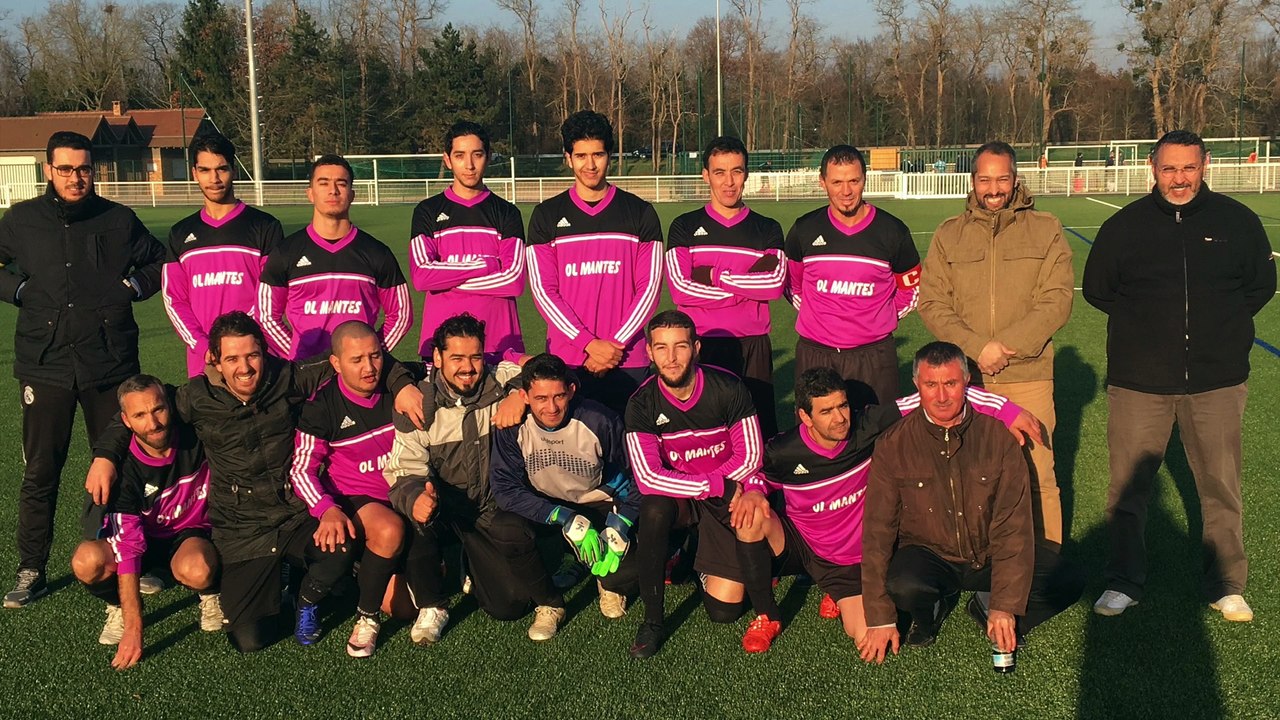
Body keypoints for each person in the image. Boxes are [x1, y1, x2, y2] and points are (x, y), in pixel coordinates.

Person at [90, 311, 424, 653]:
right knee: (250, 640)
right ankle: (288, 584)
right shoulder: (195, 397)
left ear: (264, 352)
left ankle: (306, 591)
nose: (245, 367)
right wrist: (105, 455)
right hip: (243, 529)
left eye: (252, 355)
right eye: (232, 358)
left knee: (340, 544)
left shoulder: (287, 378)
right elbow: (140, 406)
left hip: (293, 514)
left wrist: (402, 383)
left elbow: (359, 356)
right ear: (215, 361)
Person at [1082, 130, 1276, 622]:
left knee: (1220, 486)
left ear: (1205, 165)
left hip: (1216, 381)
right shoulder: (1124, 228)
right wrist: (1148, 332)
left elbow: (1259, 286)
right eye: (1169, 169)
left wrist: (1218, 333)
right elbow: (1099, 290)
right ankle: (1124, 581)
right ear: (1153, 168)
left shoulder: (1238, 221)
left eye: (1188, 168)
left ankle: (1226, 583)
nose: (1179, 178)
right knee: (1128, 488)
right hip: (1139, 383)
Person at [730, 366, 1041, 650]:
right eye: (826, 411)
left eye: (842, 405)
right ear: (805, 417)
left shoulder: (867, 426)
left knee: (865, 635)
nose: (840, 418)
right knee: (749, 517)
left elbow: (932, 395)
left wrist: (1007, 411)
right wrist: (756, 492)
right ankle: (767, 615)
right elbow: (757, 474)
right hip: (805, 547)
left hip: (851, 563)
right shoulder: (783, 451)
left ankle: (835, 593)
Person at [0, 130, 166, 608]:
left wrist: (132, 287)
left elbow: (161, 262)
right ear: (48, 170)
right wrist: (18, 291)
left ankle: (129, 554)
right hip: (45, 362)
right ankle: (32, 567)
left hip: (109, 364)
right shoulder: (22, 221)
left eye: (85, 169)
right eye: (66, 169)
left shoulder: (117, 219)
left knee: (119, 465)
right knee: (40, 470)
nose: (76, 177)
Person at [858, 342, 1083, 665]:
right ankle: (931, 610)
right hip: (930, 554)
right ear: (917, 386)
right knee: (903, 584)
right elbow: (878, 531)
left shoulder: (999, 438)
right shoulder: (893, 444)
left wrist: (1005, 605)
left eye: (950, 383)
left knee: (1067, 579)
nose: (941, 396)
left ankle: (985, 604)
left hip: (987, 554)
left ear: (966, 383)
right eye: (930, 385)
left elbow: (1013, 528)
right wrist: (880, 617)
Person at [918, 141, 1074, 547]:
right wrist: (974, 348)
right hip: (966, 381)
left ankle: (1046, 567)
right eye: (985, 179)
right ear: (973, 181)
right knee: (972, 478)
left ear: (1015, 179)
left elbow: (1056, 299)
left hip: (1027, 377)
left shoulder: (1046, 228)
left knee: (1038, 474)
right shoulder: (949, 234)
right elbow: (932, 302)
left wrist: (1005, 347)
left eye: (1002, 178)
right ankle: (984, 567)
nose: (993, 188)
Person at [384, 314, 567, 641]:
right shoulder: (417, 404)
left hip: (486, 511)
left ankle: (470, 562)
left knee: (509, 606)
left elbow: (541, 367)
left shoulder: (498, 382)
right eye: (456, 358)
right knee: (411, 514)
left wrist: (517, 394)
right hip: (442, 509)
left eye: (475, 356)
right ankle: (432, 605)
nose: (467, 367)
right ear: (437, 358)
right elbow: (403, 469)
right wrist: (414, 496)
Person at [624, 310, 780, 658]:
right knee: (652, 509)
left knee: (724, 612)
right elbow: (648, 477)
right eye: (661, 348)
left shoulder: (728, 388)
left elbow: (751, 455)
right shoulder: (641, 403)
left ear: (696, 348)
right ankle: (653, 621)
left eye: (680, 346)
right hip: (688, 494)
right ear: (649, 352)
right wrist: (711, 486)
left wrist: (718, 485)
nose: (671, 357)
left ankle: (690, 555)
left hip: (725, 489)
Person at [289, 321, 441, 657]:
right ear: (336, 363)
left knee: (404, 609)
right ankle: (365, 618)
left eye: (375, 356)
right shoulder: (322, 407)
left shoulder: (401, 383)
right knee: (388, 530)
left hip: (406, 489)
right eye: (357, 360)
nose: (369, 368)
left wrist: (513, 363)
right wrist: (326, 509)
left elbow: (451, 364)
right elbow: (301, 469)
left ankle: (372, 571)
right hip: (362, 500)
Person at [70, 375, 221, 670]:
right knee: (86, 561)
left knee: (197, 569)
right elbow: (127, 545)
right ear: (125, 421)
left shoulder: (195, 434)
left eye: (158, 410)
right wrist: (134, 628)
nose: (153, 423)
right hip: (143, 539)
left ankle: (210, 594)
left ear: (170, 406)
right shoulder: (122, 469)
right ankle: (117, 607)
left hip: (189, 535)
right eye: (140, 415)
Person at [526, 110, 663, 414]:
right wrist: (589, 344)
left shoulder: (640, 213)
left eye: (598, 154)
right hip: (569, 359)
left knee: (629, 454)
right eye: (581, 155)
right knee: (573, 458)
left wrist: (613, 346)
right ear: (568, 157)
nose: (590, 165)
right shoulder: (546, 216)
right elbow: (544, 292)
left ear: (609, 156)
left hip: (628, 359)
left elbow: (649, 288)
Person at [490, 353, 640, 621]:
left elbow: (640, 473)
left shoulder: (599, 420)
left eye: (558, 396)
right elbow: (504, 488)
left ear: (571, 390)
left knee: (623, 574)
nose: (551, 408)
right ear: (524, 396)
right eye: (540, 398)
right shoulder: (513, 427)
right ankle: (549, 603)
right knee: (505, 526)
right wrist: (562, 516)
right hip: (552, 507)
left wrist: (623, 522)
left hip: (601, 503)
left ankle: (604, 578)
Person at [665, 136, 786, 439]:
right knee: (708, 433)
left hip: (754, 345)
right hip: (703, 343)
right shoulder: (684, 226)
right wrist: (746, 286)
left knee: (760, 432)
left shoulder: (767, 228)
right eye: (720, 172)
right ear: (706, 175)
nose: (729, 182)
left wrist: (714, 275)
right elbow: (681, 289)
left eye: (737, 171)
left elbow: (772, 285)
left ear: (746, 174)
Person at [785, 145, 922, 406]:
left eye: (853, 181)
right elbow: (792, 283)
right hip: (816, 353)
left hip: (874, 355)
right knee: (817, 439)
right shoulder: (804, 229)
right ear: (822, 182)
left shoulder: (892, 231)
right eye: (836, 182)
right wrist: (818, 317)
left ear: (864, 179)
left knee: (879, 436)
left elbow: (911, 289)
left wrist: (880, 318)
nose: (846, 191)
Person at [259, 154, 412, 361]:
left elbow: (401, 316)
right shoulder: (285, 252)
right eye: (324, 183)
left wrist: (368, 356)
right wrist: (301, 358)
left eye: (341, 183)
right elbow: (266, 317)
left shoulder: (377, 252)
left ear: (352, 194)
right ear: (310, 193)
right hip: (306, 381)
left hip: (358, 379)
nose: (333, 190)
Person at [162, 131, 284, 377]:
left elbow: (271, 298)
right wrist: (202, 345)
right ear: (194, 173)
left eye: (222, 169)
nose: (214, 178)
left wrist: (238, 343)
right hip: (205, 361)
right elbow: (175, 300)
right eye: (205, 170)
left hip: (254, 356)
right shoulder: (180, 233)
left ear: (234, 170)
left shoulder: (264, 227)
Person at [409, 120, 526, 364]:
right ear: (447, 159)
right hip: (441, 348)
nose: (470, 165)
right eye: (460, 155)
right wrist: (484, 265)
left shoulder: (507, 213)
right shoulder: (427, 211)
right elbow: (421, 275)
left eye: (477, 155)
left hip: (499, 345)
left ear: (489, 157)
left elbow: (514, 280)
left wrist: (447, 281)